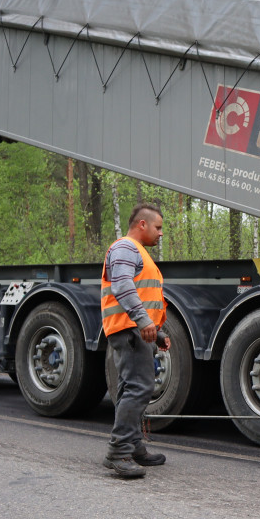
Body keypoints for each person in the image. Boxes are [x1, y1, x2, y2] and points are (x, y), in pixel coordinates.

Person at [100, 203, 171, 478]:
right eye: (158, 227)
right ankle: (119, 452)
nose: (160, 233)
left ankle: (132, 445)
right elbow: (122, 286)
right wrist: (143, 322)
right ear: (142, 224)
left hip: (136, 330)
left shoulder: (136, 252)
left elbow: (142, 293)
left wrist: (158, 332)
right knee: (138, 388)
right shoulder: (125, 248)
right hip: (130, 330)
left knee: (133, 387)